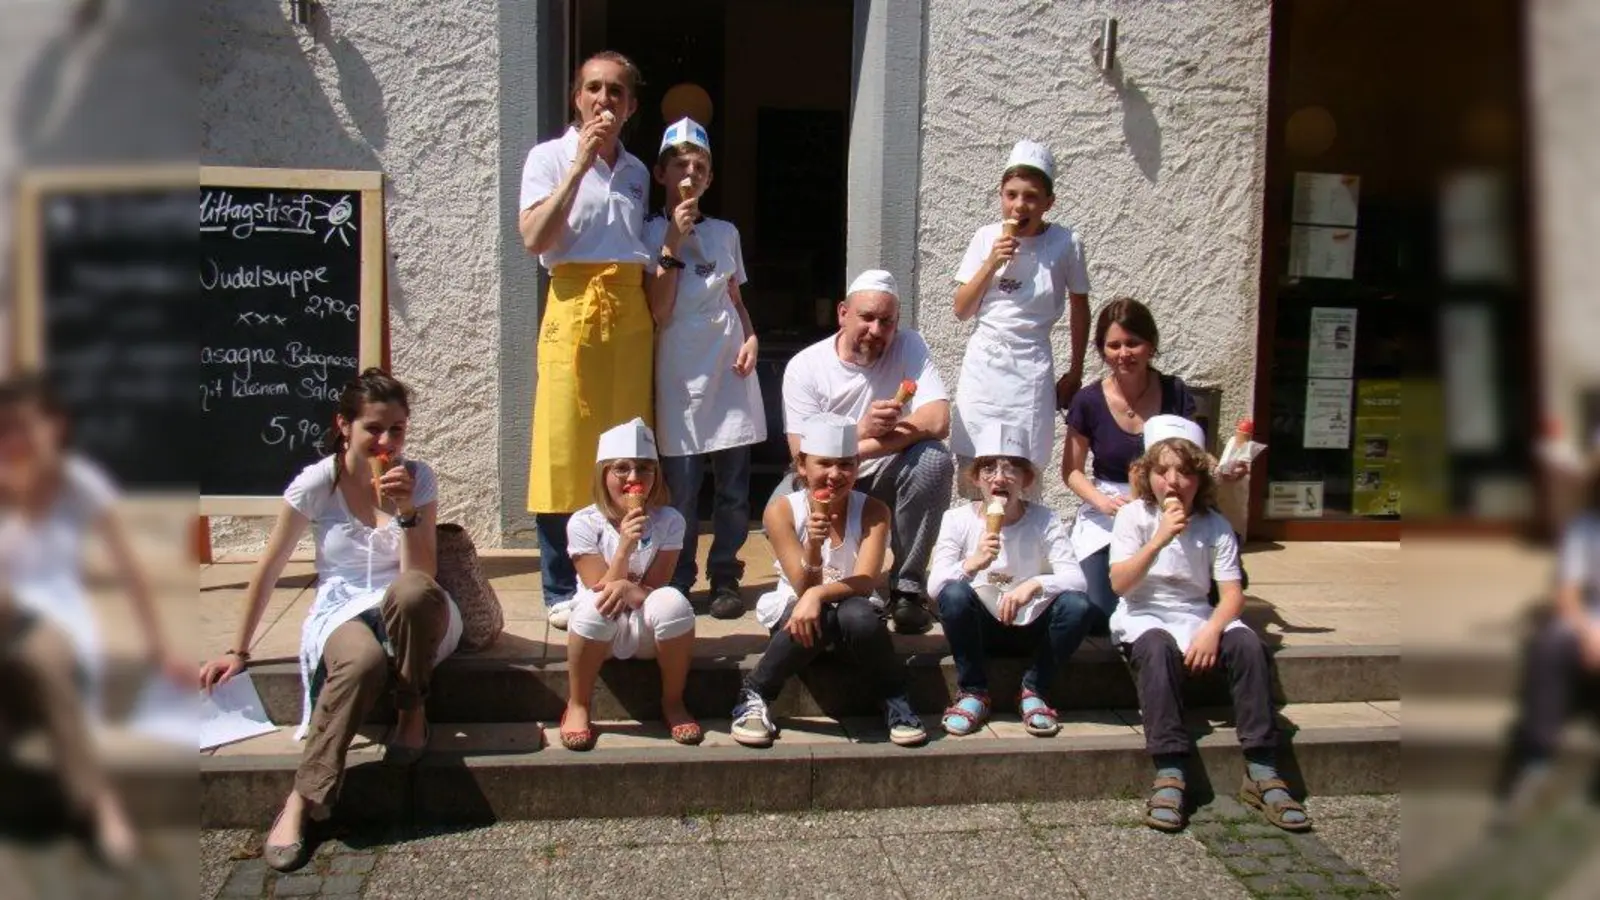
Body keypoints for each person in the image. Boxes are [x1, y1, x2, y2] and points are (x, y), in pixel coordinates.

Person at [198, 370, 464, 872]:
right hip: (344, 606)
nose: (387, 441)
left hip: (415, 614)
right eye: (374, 428)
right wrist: (239, 650)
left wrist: (406, 511)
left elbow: (422, 575)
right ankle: (304, 797)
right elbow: (271, 565)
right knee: (360, 663)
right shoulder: (318, 483)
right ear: (343, 425)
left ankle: (412, 712)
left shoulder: (418, 479)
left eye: (398, 429)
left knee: (410, 593)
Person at [0, 374, 185, 866]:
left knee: (38, 662)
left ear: (56, 427)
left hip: (52, 626)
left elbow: (129, 570)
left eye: (28, 425)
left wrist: (158, 648)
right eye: (8, 428)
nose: (18, 438)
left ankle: (98, 802)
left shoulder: (77, 482)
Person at [1109, 416, 1308, 834]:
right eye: (1162, 471)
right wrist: (1160, 538)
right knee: (1157, 646)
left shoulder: (1215, 525)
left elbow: (1232, 594)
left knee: (1250, 646)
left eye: (1184, 471)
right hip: (1144, 613)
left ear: (1199, 478)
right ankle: (1169, 769)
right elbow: (1121, 584)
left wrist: (1213, 629)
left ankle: (1262, 766)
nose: (1173, 481)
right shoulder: (1133, 518)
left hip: (1198, 614)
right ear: (1148, 476)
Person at [518, 51, 655, 630]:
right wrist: (578, 166)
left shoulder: (639, 171)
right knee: (562, 444)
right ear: (577, 98)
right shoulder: (547, 156)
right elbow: (533, 238)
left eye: (616, 92)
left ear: (631, 106)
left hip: (627, 310)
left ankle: (621, 570)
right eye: (593, 89)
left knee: (626, 444)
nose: (604, 100)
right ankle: (559, 582)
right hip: (573, 305)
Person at [731, 414, 926, 748]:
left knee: (857, 614)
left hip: (852, 607)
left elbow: (864, 581)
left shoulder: (875, 511)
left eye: (846, 465)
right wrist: (813, 547)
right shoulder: (781, 510)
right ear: (802, 465)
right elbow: (801, 588)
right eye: (825, 464)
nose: (836, 475)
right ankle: (755, 693)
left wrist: (818, 594)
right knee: (819, 613)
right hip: (800, 613)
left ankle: (894, 697)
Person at [779, 269, 953, 634]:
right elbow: (800, 452)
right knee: (780, 501)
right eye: (867, 318)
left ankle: (907, 587)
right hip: (828, 478)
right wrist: (858, 431)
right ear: (843, 313)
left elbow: (938, 420)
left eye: (886, 322)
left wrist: (869, 445)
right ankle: (806, 585)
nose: (876, 330)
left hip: (886, 477)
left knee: (934, 460)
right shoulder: (805, 367)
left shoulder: (909, 345)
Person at [1063, 298, 1249, 626]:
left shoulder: (1174, 391)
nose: (1124, 353)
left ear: (1151, 345)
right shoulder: (1088, 400)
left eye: (1133, 343)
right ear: (1102, 350)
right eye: (1114, 345)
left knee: (1220, 589)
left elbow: (1195, 455)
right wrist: (1102, 502)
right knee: (1098, 612)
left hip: (1169, 496)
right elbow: (1072, 471)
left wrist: (1222, 470)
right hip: (1113, 505)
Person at [642, 117, 764, 620]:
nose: (690, 174)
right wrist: (674, 237)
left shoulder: (725, 233)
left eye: (699, 167)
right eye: (680, 166)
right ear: (661, 174)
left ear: (710, 177)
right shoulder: (648, 231)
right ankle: (678, 575)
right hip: (680, 370)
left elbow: (735, 298)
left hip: (730, 370)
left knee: (734, 486)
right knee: (684, 486)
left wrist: (752, 335)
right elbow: (659, 310)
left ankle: (725, 575)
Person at [928, 423, 1093, 738]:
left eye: (1011, 470)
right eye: (988, 469)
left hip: (1031, 626)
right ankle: (973, 691)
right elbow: (935, 588)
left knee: (1078, 606)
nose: (999, 478)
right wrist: (971, 563)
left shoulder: (1045, 520)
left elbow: (1077, 580)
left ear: (1026, 480)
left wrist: (1034, 585)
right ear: (976, 479)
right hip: (980, 627)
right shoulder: (957, 520)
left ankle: (1034, 689)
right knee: (955, 594)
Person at [949, 140, 1090, 487]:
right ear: (1000, 195)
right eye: (1011, 195)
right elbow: (961, 310)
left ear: (1048, 203)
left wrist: (1075, 370)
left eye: (1030, 196)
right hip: (985, 366)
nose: (1018, 205)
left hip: (1030, 368)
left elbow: (1079, 307)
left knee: (1023, 475)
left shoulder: (1065, 243)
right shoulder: (985, 238)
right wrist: (992, 262)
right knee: (976, 473)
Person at [559, 418, 700, 750]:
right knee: (596, 607)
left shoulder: (670, 521)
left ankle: (673, 702)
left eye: (644, 469)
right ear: (603, 474)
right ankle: (578, 704)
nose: (634, 478)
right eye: (621, 469)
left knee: (674, 601)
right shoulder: (583, 523)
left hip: (644, 624)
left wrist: (627, 589)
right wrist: (624, 547)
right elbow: (598, 586)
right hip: (598, 634)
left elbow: (656, 586)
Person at [1496, 448, 1600, 829]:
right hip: (1591, 624)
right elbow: (1568, 592)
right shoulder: (1587, 527)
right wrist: (1589, 634)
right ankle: (1537, 766)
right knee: (1548, 645)